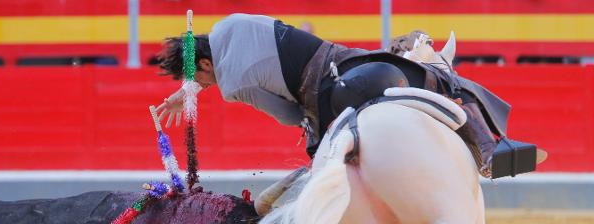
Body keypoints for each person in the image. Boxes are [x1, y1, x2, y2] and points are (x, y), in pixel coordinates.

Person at [155, 13, 533, 178]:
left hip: (324, 96)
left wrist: (308, 124)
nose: (207, 86)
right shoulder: (230, 23)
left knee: (322, 164)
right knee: (436, 76)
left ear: (204, 64)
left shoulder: (235, 85)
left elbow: (287, 114)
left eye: (202, 80)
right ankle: (489, 150)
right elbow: (226, 58)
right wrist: (187, 88)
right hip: (347, 60)